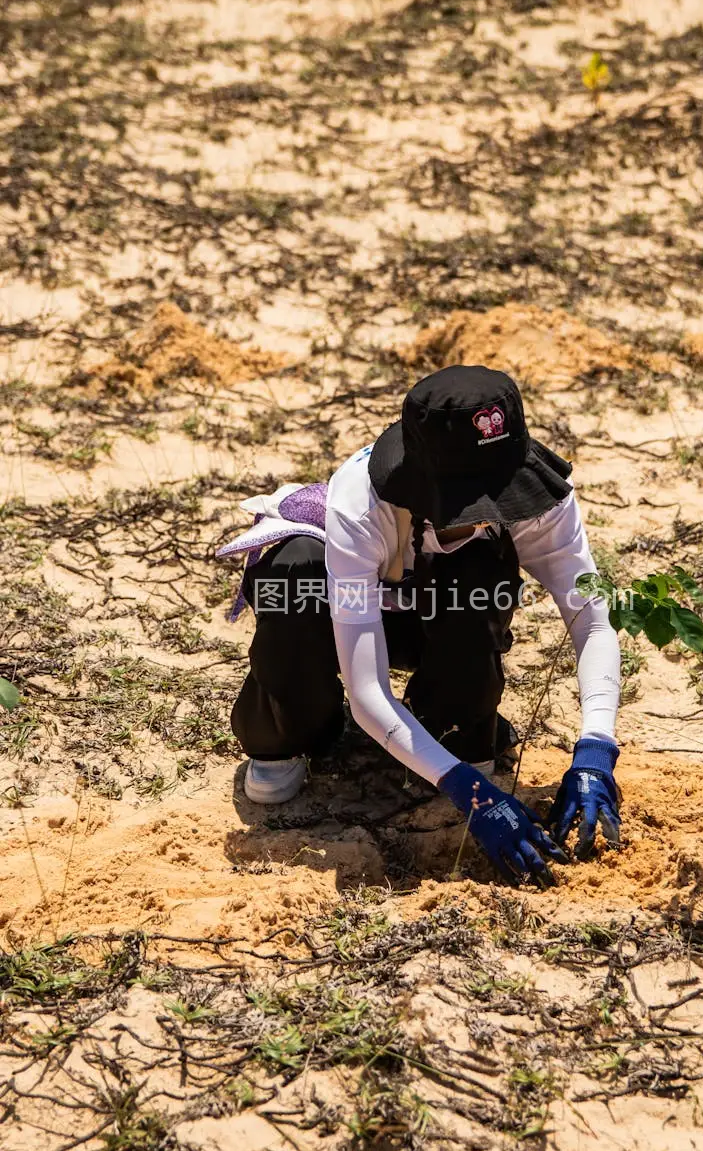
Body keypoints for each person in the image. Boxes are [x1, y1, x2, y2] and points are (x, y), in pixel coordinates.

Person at [217, 365, 622, 887]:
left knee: (477, 569)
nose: (488, 512)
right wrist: (468, 792)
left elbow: (590, 618)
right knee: (295, 572)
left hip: (443, 610)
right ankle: (292, 731)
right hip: (352, 616)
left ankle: (451, 725)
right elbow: (366, 689)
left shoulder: (545, 502)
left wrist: (595, 749)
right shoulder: (361, 506)